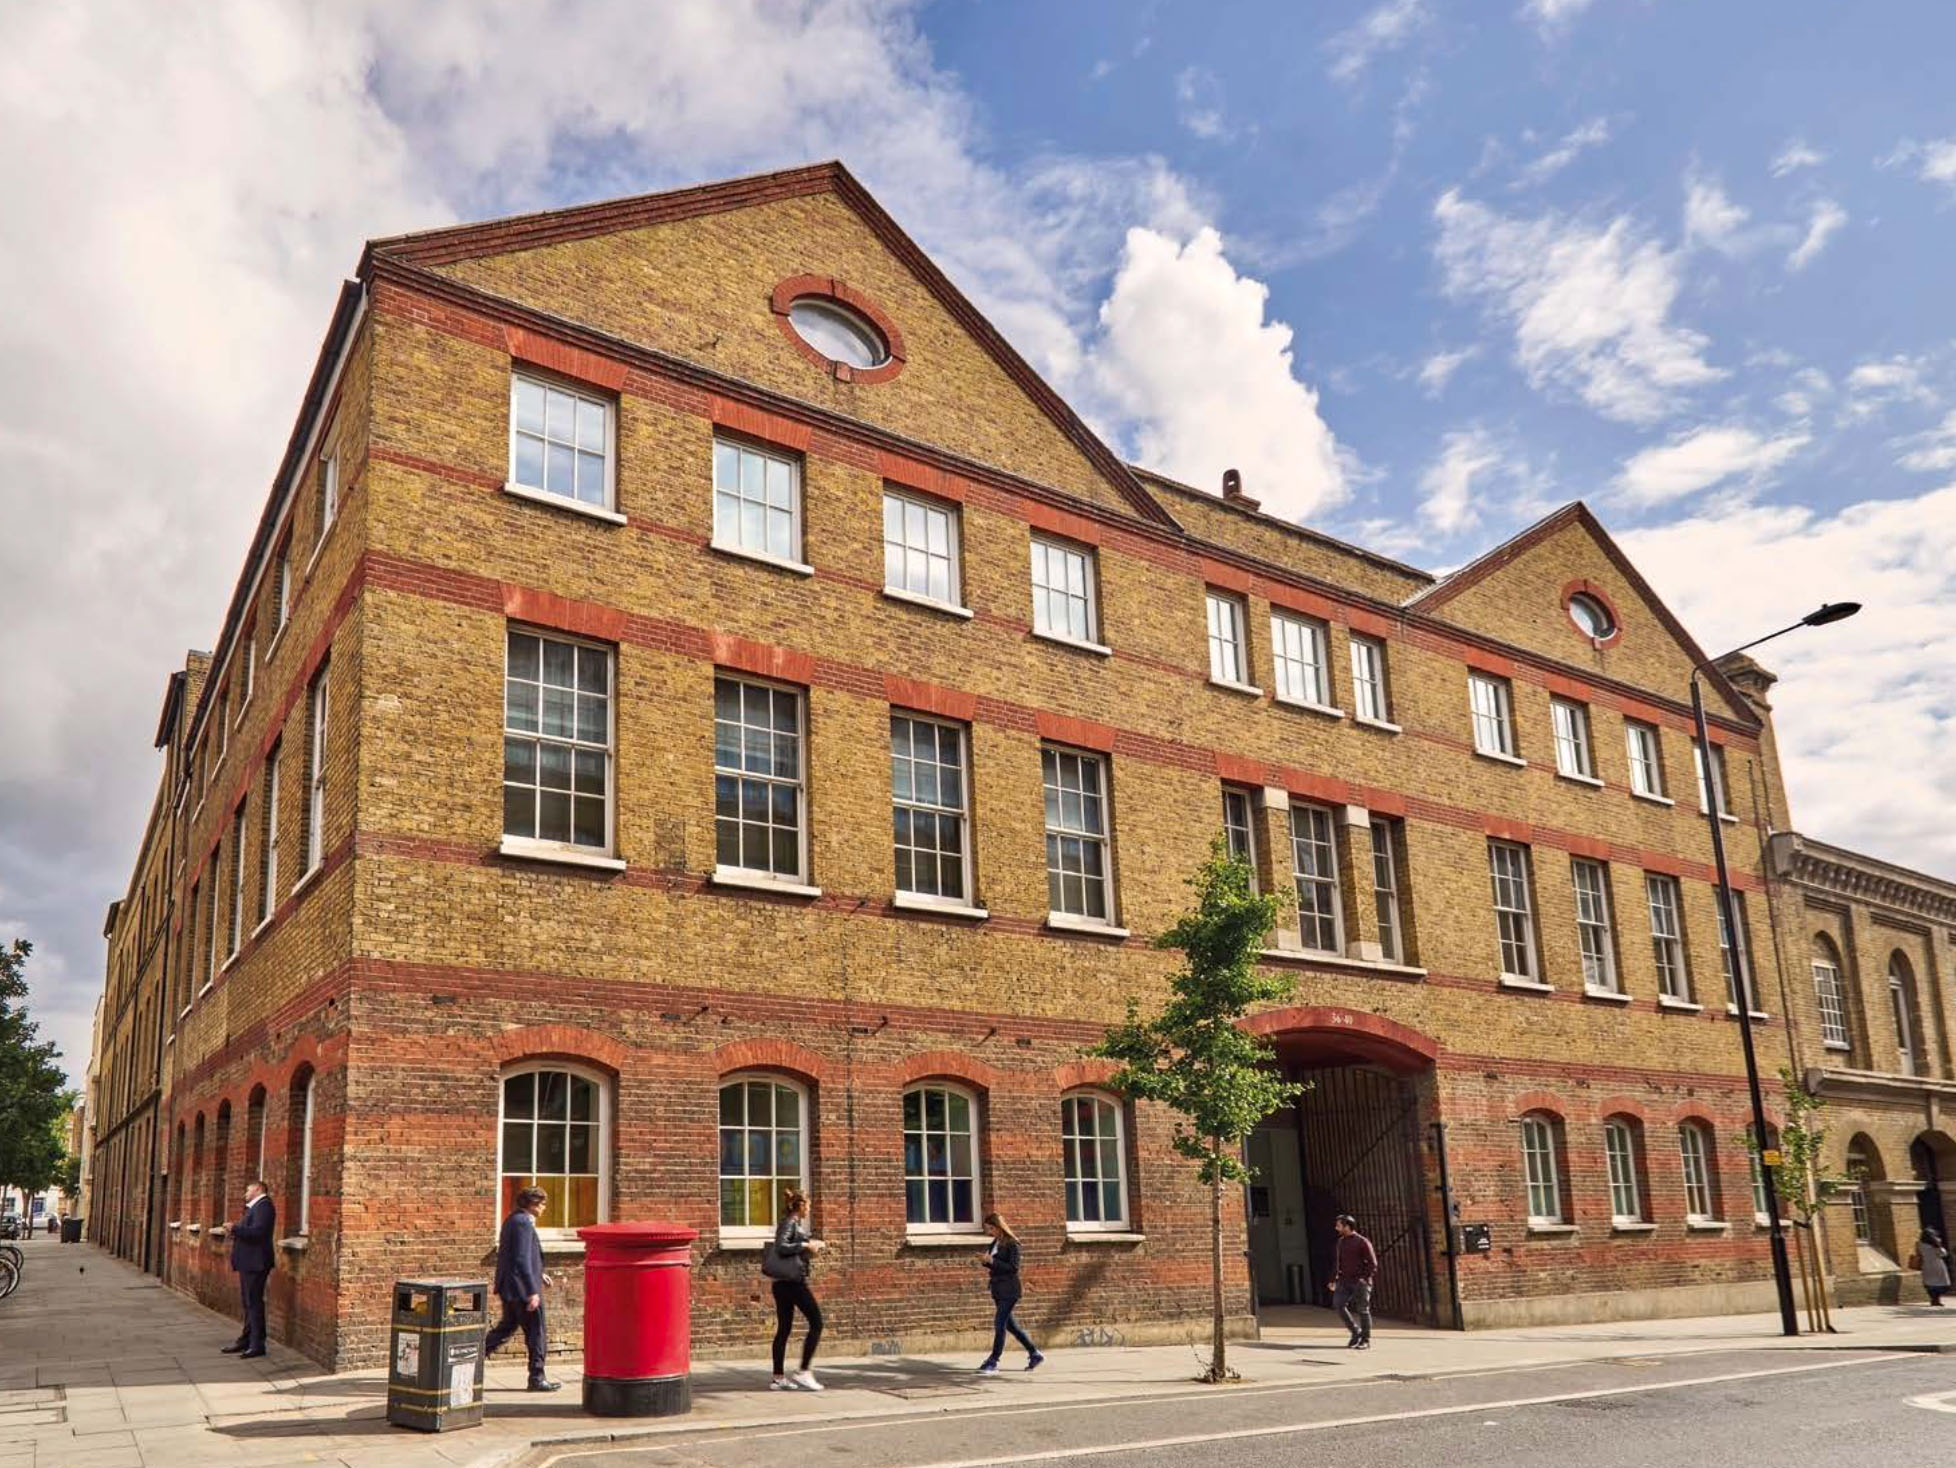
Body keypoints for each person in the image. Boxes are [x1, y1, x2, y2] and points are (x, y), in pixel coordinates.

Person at [484, 1187, 560, 1391]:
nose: (544, 1208)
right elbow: (521, 1259)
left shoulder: (513, 1219)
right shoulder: (523, 1223)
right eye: (542, 1204)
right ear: (533, 1204)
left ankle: (471, 1360)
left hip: (510, 1286)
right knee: (537, 1332)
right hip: (521, 1289)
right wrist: (532, 1291)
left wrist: (540, 1273)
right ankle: (537, 1377)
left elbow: (517, 1254)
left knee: (506, 1328)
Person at [768, 1188, 826, 1391]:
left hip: (782, 1283)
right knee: (817, 1322)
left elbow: (789, 1250)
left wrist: (809, 1250)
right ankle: (803, 1371)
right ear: (801, 1206)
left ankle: (778, 1378)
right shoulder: (789, 1223)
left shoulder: (791, 1223)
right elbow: (781, 1247)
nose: (809, 1210)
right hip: (792, 1283)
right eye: (808, 1206)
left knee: (784, 1330)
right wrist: (805, 1245)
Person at [976, 1212, 1043, 1375]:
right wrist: (986, 1262)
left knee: (1000, 1324)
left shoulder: (1012, 1244)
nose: (989, 1232)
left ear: (999, 1227)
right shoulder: (995, 1243)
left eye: (991, 1228)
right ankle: (1035, 1353)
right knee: (1011, 1326)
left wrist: (993, 1261)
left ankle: (993, 1361)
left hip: (1010, 1291)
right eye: (988, 1229)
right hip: (998, 1289)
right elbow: (996, 1266)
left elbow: (1013, 1267)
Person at [222, 1179, 276, 1359]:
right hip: (249, 1263)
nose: (245, 1193)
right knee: (248, 1302)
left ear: (258, 1189)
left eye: (248, 1189)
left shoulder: (264, 1206)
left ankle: (257, 1344)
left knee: (254, 1303)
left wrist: (235, 1228)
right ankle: (246, 1340)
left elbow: (258, 1232)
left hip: (256, 1263)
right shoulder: (256, 1208)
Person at [1331, 1213, 1377, 1350]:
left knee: (1363, 1309)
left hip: (1360, 1281)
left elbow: (1372, 1263)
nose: (1336, 1228)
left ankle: (1365, 1339)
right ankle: (1355, 1331)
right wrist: (1333, 1279)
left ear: (1347, 1226)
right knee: (1338, 1305)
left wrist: (1364, 1278)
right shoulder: (1341, 1242)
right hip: (1344, 1280)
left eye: (1339, 1225)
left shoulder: (1362, 1242)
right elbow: (1339, 1262)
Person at [1909, 1228, 1952, 1306]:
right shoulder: (1935, 1244)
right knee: (1941, 1283)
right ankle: (1937, 1299)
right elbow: (1943, 1253)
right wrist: (1939, 1244)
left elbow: (1918, 1253)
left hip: (1926, 1266)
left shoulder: (1919, 1244)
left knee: (1930, 1284)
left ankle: (1934, 1299)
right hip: (1937, 1265)